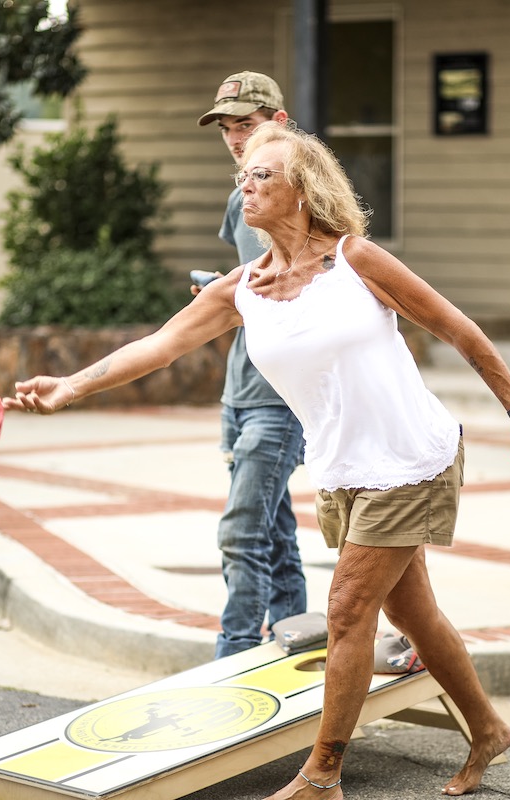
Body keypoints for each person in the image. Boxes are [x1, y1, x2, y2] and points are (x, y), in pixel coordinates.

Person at [4, 120, 510, 798]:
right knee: (411, 614)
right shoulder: (242, 288)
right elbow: (157, 347)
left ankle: (322, 775)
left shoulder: (356, 261)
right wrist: (69, 386)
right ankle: (489, 728)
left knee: (347, 610)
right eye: (242, 177)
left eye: (261, 175)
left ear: (303, 189)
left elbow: (457, 327)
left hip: (410, 458)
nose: (245, 186)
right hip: (342, 470)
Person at [194, 71, 307, 659]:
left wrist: (244, 297)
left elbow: (306, 285)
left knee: (242, 531)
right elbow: (254, 283)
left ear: (279, 123)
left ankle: (234, 653)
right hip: (238, 393)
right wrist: (226, 291)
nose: (237, 139)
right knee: (274, 532)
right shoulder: (241, 200)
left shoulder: (307, 196)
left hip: (279, 399)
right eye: (227, 129)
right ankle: (298, 644)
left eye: (247, 125)